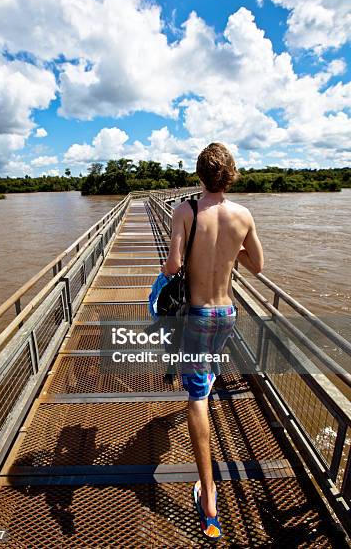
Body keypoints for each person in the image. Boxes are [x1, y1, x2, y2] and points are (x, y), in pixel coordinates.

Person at [161, 142, 264, 539]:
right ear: (231, 174)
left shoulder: (186, 210)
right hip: (227, 316)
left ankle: (208, 495)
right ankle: (202, 379)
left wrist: (168, 270)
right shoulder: (243, 214)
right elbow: (257, 265)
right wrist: (232, 251)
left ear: (199, 174)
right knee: (206, 373)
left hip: (199, 316)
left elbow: (174, 265)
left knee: (197, 397)